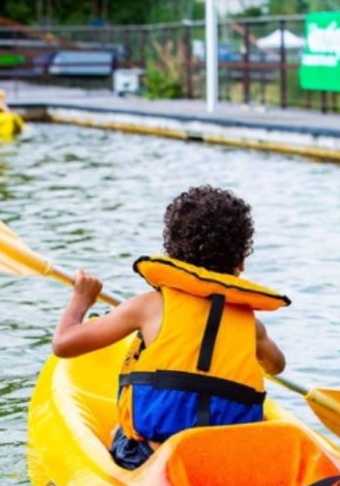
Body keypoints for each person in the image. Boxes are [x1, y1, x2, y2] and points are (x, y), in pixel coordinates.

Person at [51, 185, 289, 470]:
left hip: (153, 460)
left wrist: (81, 300)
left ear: (170, 253)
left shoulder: (148, 307)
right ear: (240, 262)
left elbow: (64, 344)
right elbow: (276, 366)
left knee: (117, 431)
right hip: (225, 464)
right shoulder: (252, 326)